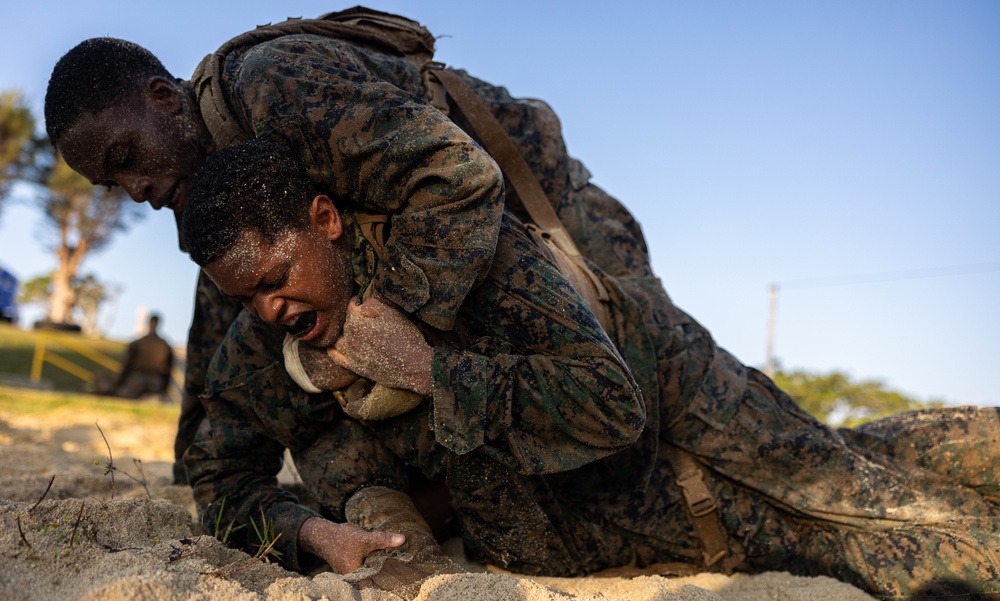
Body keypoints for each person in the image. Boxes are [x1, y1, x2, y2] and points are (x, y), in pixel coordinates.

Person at [182, 140, 1000, 601]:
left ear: (324, 218)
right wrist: (315, 533)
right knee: (879, 460)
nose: (271, 310)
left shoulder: (461, 256)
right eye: (244, 297)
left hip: (692, 480)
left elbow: (608, 403)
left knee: (937, 560)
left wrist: (432, 372)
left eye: (276, 278)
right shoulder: (268, 348)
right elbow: (221, 482)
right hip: (590, 537)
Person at [43, 8, 657, 486]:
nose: (137, 190)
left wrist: (382, 321)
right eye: (113, 184)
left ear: (161, 97)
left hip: (553, 203)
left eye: (127, 160)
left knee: (653, 377)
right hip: (490, 227)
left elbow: (457, 174)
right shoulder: (209, 192)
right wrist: (197, 462)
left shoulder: (272, 88)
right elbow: (218, 313)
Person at [110, 313, 174, 399]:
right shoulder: (165, 345)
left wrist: (119, 383)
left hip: (141, 379)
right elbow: (168, 369)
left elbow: (127, 365)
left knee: (123, 396)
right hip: (155, 381)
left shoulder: (139, 343)